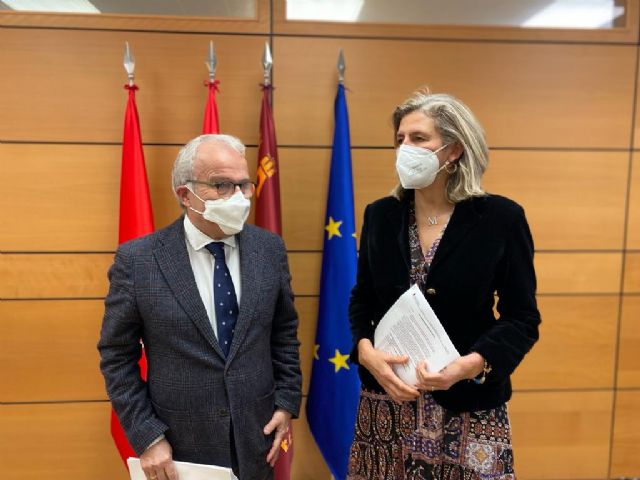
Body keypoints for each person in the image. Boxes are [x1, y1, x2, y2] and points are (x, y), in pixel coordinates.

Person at [347, 90, 540, 479]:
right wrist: (365, 352)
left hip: (469, 405)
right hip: (388, 403)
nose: (405, 148)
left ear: (454, 150)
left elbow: (522, 318)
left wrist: (471, 365)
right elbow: (362, 300)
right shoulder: (380, 215)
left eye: (418, 138)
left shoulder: (501, 218)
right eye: (400, 139)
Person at [98, 134, 302, 480]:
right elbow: (117, 356)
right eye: (221, 185)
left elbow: (283, 334)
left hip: (257, 442)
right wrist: (148, 437)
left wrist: (285, 402)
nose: (238, 196)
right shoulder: (139, 260)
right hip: (179, 450)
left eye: (243, 185)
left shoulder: (269, 249)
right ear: (185, 195)